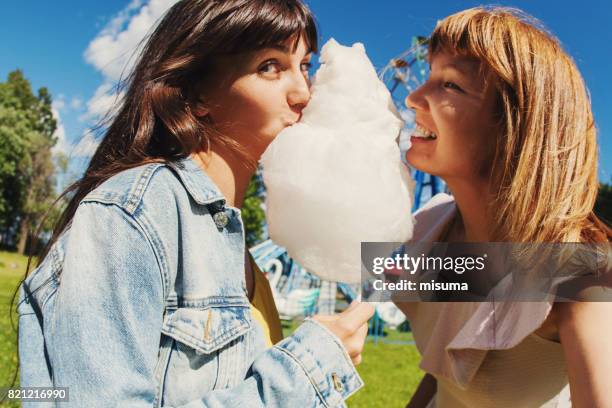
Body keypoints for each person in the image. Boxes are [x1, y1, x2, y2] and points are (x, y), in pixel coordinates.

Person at [16, 1, 373, 406]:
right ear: (198, 93)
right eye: (270, 66)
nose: (303, 94)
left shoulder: (235, 242)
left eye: (304, 65)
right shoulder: (134, 214)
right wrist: (306, 369)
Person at [396, 7, 612, 408]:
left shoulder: (580, 273)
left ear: (515, 129)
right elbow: (447, 371)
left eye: (450, 85)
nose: (413, 97)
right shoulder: (431, 226)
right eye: (428, 77)